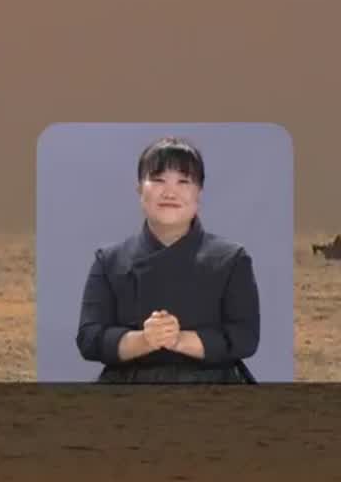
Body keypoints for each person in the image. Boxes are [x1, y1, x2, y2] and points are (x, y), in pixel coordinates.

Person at [75, 137, 260, 382]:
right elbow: (90, 339)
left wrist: (179, 340)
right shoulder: (109, 260)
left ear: (199, 192)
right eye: (158, 180)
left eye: (184, 181)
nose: (170, 192)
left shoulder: (231, 258)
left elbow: (245, 338)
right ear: (140, 189)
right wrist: (144, 340)